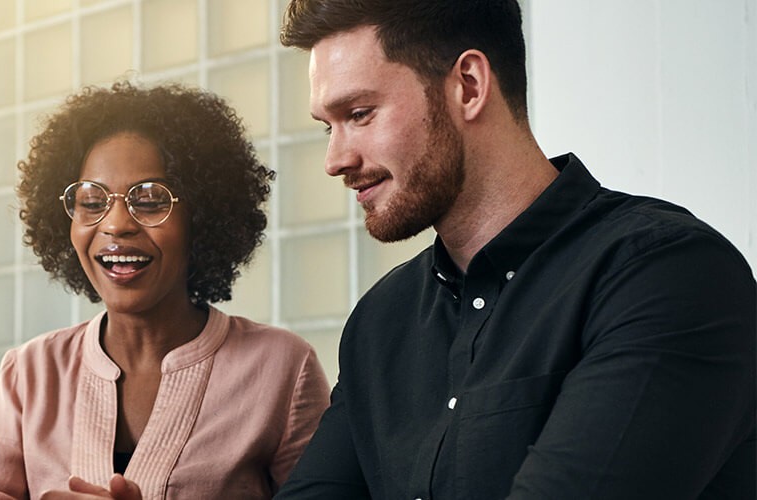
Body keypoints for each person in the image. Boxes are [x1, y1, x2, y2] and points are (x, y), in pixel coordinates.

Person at [274, 0, 756, 498]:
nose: (335, 159)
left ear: (469, 86)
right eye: (327, 127)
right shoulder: (379, 323)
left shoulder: (668, 275)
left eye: (359, 114)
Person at [0, 81, 331, 499]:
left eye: (151, 199)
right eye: (91, 200)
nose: (116, 223)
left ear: (202, 215)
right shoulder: (30, 372)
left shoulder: (283, 367)